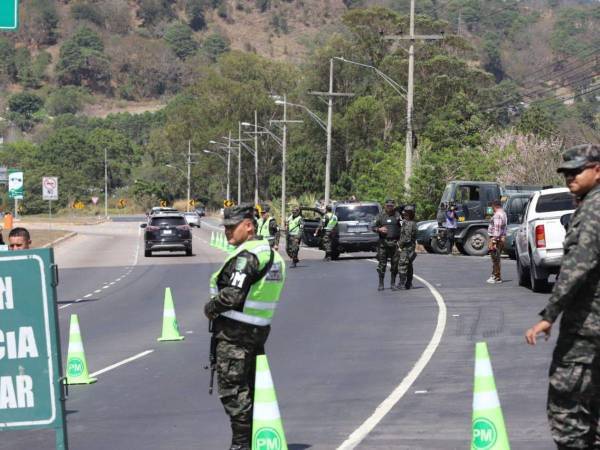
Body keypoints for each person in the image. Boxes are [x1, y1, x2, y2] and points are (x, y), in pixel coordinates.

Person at [525, 144, 600, 450]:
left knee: (566, 408)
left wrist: (548, 316)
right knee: (592, 408)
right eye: (566, 172)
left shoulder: (594, 209)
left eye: (577, 171)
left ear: (597, 170)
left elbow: (578, 265)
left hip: (587, 327)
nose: (570, 177)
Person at [204, 204, 286, 450]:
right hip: (257, 332)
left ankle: (241, 445)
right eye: (226, 228)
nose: (228, 233)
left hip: (235, 335)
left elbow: (231, 296)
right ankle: (249, 441)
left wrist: (209, 308)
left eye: (232, 227)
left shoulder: (248, 256)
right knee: (248, 390)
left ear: (248, 226)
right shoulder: (271, 255)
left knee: (234, 393)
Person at [372, 199, 402, 291]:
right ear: (385, 206)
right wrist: (379, 229)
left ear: (394, 206)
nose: (390, 207)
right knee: (382, 264)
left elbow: (403, 226)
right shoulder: (380, 216)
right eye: (388, 205)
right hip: (383, 243)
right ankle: (381, 284)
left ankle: (393, 284)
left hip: (394, 243)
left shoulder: (397, 215)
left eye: (391, 206)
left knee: (395, 264)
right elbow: (372, 227)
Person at [486, 199, 507, 284]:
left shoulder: (498, 214)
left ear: (495, 206)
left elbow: (497, 229)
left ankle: (496, 277)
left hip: (496, 239)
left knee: (495, 258)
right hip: (501, 238)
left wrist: (493, 241)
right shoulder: (503, 213)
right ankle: (496, 276)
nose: (492, 208)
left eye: (492, 206)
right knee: (497, 258)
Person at [398, 205, 417, 290]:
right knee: (409, 265)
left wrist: (399, 244)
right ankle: (409, 283)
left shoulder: (409, 224)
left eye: (405, 212)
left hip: (407, 247)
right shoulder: (410, 222)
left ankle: (402, 284)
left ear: (409, 214)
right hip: (410, 247)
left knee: (403, 264)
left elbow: (407, 238)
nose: (403, 214)